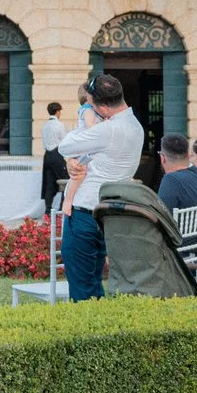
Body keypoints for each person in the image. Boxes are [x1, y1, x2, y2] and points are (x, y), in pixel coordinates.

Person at [54, 73, 143, 301]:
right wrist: (73, 162)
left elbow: (64, 146)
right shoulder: (135, 126)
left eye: (92, 105)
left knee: (82, 288)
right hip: (108, 213)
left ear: (103, 108)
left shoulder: (107, 130)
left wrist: (82, 130)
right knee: (94, 284)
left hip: (85, 213)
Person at [155, 134, 197, 211]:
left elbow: (161, 215)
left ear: (162, 158)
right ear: (188, 156)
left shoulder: (170, 180)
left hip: (178, 223)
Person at [38, 100, 68, 210]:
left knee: (49, 183)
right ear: (57, 111)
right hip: (57, 154)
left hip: (47, 156)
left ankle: (48, 210)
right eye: (60, 111)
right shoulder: (59, 125)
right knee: (66, 181)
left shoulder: (44, 126)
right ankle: (61, 208)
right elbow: (64, 142)